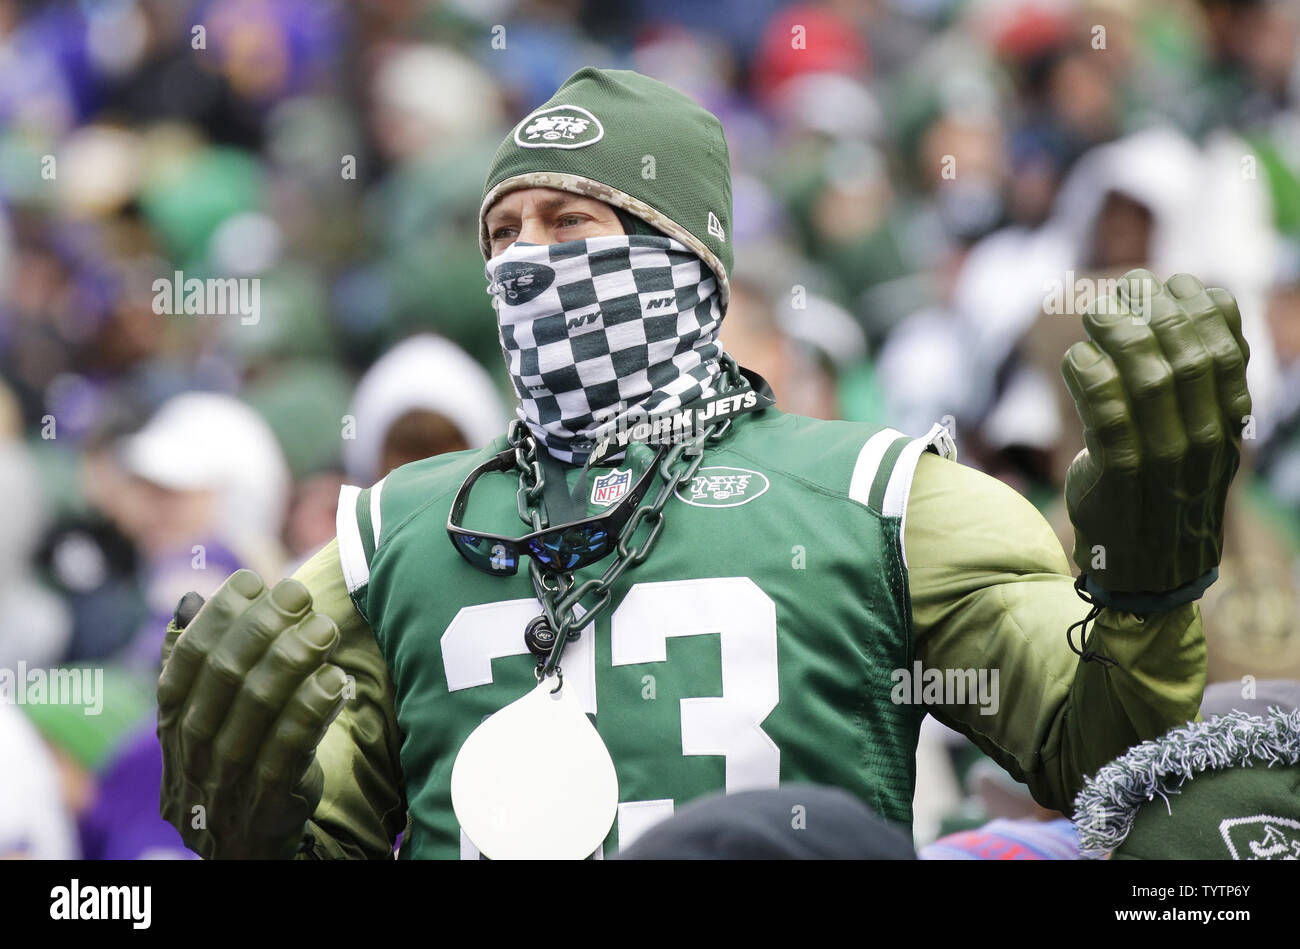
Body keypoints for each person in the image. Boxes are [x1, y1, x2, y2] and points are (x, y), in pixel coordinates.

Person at [157, 68, 1251, 859]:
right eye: (503, 235)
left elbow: (1099, 755)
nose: (527, 261)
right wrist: (237, 818)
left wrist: (1148, 583)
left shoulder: (883, 496)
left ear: (682, 257)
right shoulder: (392, 531)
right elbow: (321, 841)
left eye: (570, 221)